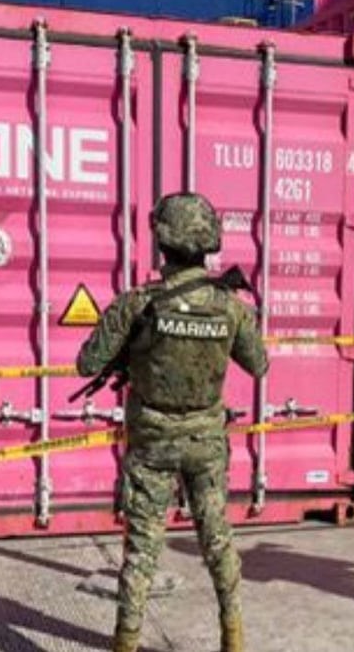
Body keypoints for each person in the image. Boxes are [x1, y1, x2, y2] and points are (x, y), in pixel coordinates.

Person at [76, 192, 268, 652]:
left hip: (153, 443)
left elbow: (87, 363)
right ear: (209, 243)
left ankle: (126, 642)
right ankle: (233, 637)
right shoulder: (231, 306)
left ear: (162, 243)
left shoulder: (138, 304)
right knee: (217, 540)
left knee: (142, 550)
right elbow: (259, 364)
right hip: (206, 443)